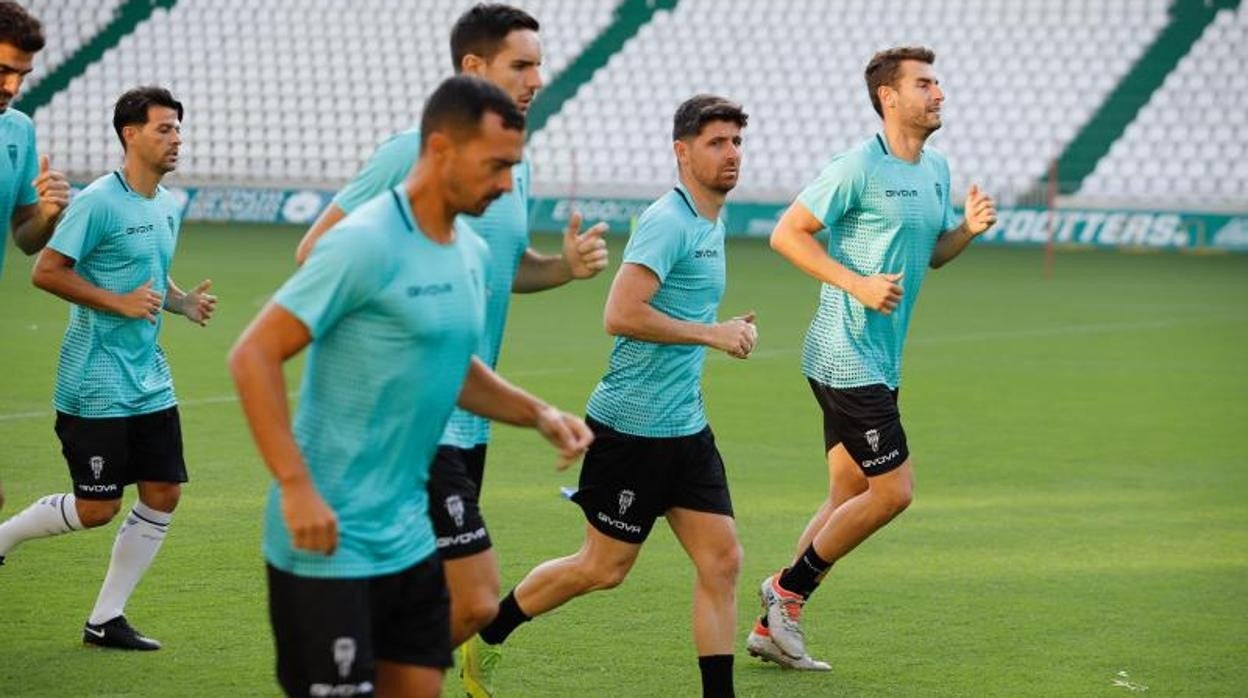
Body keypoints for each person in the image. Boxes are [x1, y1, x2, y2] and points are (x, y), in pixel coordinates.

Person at [229, 75, 593, 698]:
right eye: (496, 165)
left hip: (409, 542)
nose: (507, 184)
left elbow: (451, 364)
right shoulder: (363, 243)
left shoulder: (470, 252)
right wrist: (296, 487)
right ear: (441, 150)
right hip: (329, 539)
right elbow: (253, 354)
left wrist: (537, 413)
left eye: (514, 167)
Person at [293, 3, 609, 651]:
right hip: (409, 417)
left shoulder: (508, 167)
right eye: (521, 64)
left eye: (539, 65)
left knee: (431, 595)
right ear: (474, 66)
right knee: (468, 600)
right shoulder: (407, 155)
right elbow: (316, 255)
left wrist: (564, 270)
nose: (537, 78)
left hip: (470, 414)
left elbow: (505, 267)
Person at [461, 94, 756, 698]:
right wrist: (713, 334)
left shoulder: (711, 218)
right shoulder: (668, 221)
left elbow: (678, 306)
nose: (732, 154)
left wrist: (723, 327)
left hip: (685, 429)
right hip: (631, 430)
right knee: (602, 568)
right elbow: (620, 313)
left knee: (722, 560)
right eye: (717, 143)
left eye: (737, 142)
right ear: (682, 151)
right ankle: (489, 632)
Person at [753, 46, 998, 665]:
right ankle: (787, 593)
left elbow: (934, 255)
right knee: (893, 491)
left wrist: (966, 228)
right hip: (846, 353)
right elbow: (786, 233)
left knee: (847, 493)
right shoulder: (855, 166)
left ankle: (768, 631)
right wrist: (856, 283)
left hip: (879, 358)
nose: (938, 92)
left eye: (938, 81)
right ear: (890, 97)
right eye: (925, 83)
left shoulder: (936, 167)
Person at [0, 87, 215, 652]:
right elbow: (46, 271)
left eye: (178, 129)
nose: (177, 139)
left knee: (164, 493)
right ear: (130, 134)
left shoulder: (168, 204)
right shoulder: (97, 201)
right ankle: (3, 539)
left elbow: (147, 273)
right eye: (165, 129)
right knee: (97, 509)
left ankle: (105, 618)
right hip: (94, 382)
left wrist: (182, 302)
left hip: (150, 378)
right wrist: (117, 304)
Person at [0, 0, 70, 513]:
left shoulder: (18, 130)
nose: (12, 88)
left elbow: (25, 236)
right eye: (3, 70)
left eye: (21, 75)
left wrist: (47, 213)